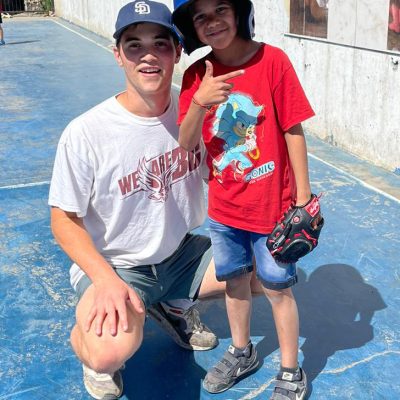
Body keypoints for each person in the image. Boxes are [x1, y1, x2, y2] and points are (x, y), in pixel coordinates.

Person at [48, 1, 230, 399]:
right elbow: (63, 219)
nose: (148, 55)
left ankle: (174, 304)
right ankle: (91, 341)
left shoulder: (196, 110)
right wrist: (104, 277)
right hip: (117, 264)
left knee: (267, 269)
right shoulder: (87, 132)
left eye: (160, 44)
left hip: (180, 254)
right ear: (117, 55)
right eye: (134, 45)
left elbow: (228, 169)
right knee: (107, 353)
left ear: (177, 52)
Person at [172, 0, 316, 398]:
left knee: (277, 289)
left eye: (220, 9)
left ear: (239, 13)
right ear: (192, 28)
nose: (212, 22)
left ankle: (290, 369)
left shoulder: (272, 61)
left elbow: (293, 128)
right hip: (224, 208)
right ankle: (241, 351)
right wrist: (201, 101)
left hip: (273, 208)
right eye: (200, 17)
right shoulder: (196, 75)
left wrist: (301, 197)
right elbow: (186, 144)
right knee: (235, 282)